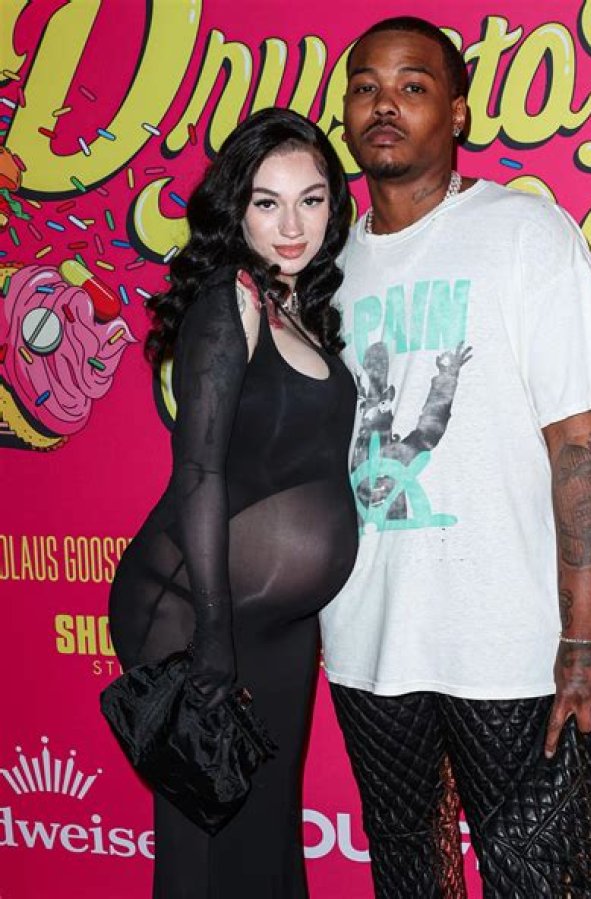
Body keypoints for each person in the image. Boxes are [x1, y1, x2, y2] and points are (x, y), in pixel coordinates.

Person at [320, 16, 591, 897]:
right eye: (366, 87)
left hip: (507, 644)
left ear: (457, 112)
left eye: (413, 86)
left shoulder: (527, 234)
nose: (385, 104)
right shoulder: (327, 267)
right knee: (405, 866)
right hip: (363, 636)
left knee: (540, 876)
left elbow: (579, 444)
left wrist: (586, 636)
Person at [108, 108, 357, 899]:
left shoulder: (298, 306)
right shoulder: (231, 300)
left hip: (273, 618)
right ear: (235, 208)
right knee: (207, 849)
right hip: (192, 610)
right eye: (267, 202)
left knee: (265, 833)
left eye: (311, 200)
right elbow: (198, 472)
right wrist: (212, 636)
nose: (293, 226)